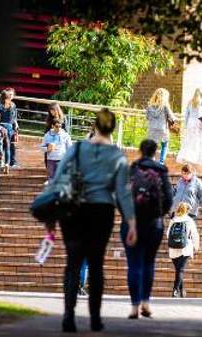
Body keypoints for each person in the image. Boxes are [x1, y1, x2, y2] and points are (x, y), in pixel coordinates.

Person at [48, 108, 138, 333]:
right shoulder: (116, 156)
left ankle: (69, 316)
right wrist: (132, 222)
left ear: (95, 126)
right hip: (101, 211)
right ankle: (95, 318)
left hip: (74, 211)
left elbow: (58, 179)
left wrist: (51, 212)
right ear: (112, 128)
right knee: (96, 264)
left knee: (73, 263)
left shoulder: (77, 148)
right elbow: (123, 192)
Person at [122, 139, 173, 319]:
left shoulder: (132, 169)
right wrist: (159, 214)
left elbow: (121, 196)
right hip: (154, 224)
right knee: (149, 263)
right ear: (155, 152)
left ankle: (135, 307)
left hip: (131, 224)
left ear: (140, 151)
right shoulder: (161, 171)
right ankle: (146, 302)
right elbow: (169, 199)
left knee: (134, 264)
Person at [167, 202, 200, 298]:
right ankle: (175, 290)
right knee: (180, 270)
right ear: (187, 210)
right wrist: (196, 246)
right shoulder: (189, 220)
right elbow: (194, 234)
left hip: (173, 249)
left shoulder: (173, 220)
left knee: (178, 270)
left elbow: (168, 234)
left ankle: (181, 291)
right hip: (185, 248)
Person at [177, 88, 202, 165]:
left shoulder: (190, 102)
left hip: (190, 122)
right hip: (199, 122)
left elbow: (186, 115)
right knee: (198, 141)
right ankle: (194, 158)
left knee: (189, 140)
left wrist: (186, 125)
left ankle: (187, 156)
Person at [145, 88, 176, 165]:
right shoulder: (165, 106)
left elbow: (147, 117)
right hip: (162, 129)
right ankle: (161, 162)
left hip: (152, 128)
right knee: (164, 145)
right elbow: (172, 117)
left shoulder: (149, 105)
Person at [0, 89, 19, 172]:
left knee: (0, 146)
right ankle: (7, 163)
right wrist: (15, 129)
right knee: (8, 146)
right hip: (9, 126)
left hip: (1, 126)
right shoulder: (12, 105)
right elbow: (14, 118)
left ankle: (1, 162)